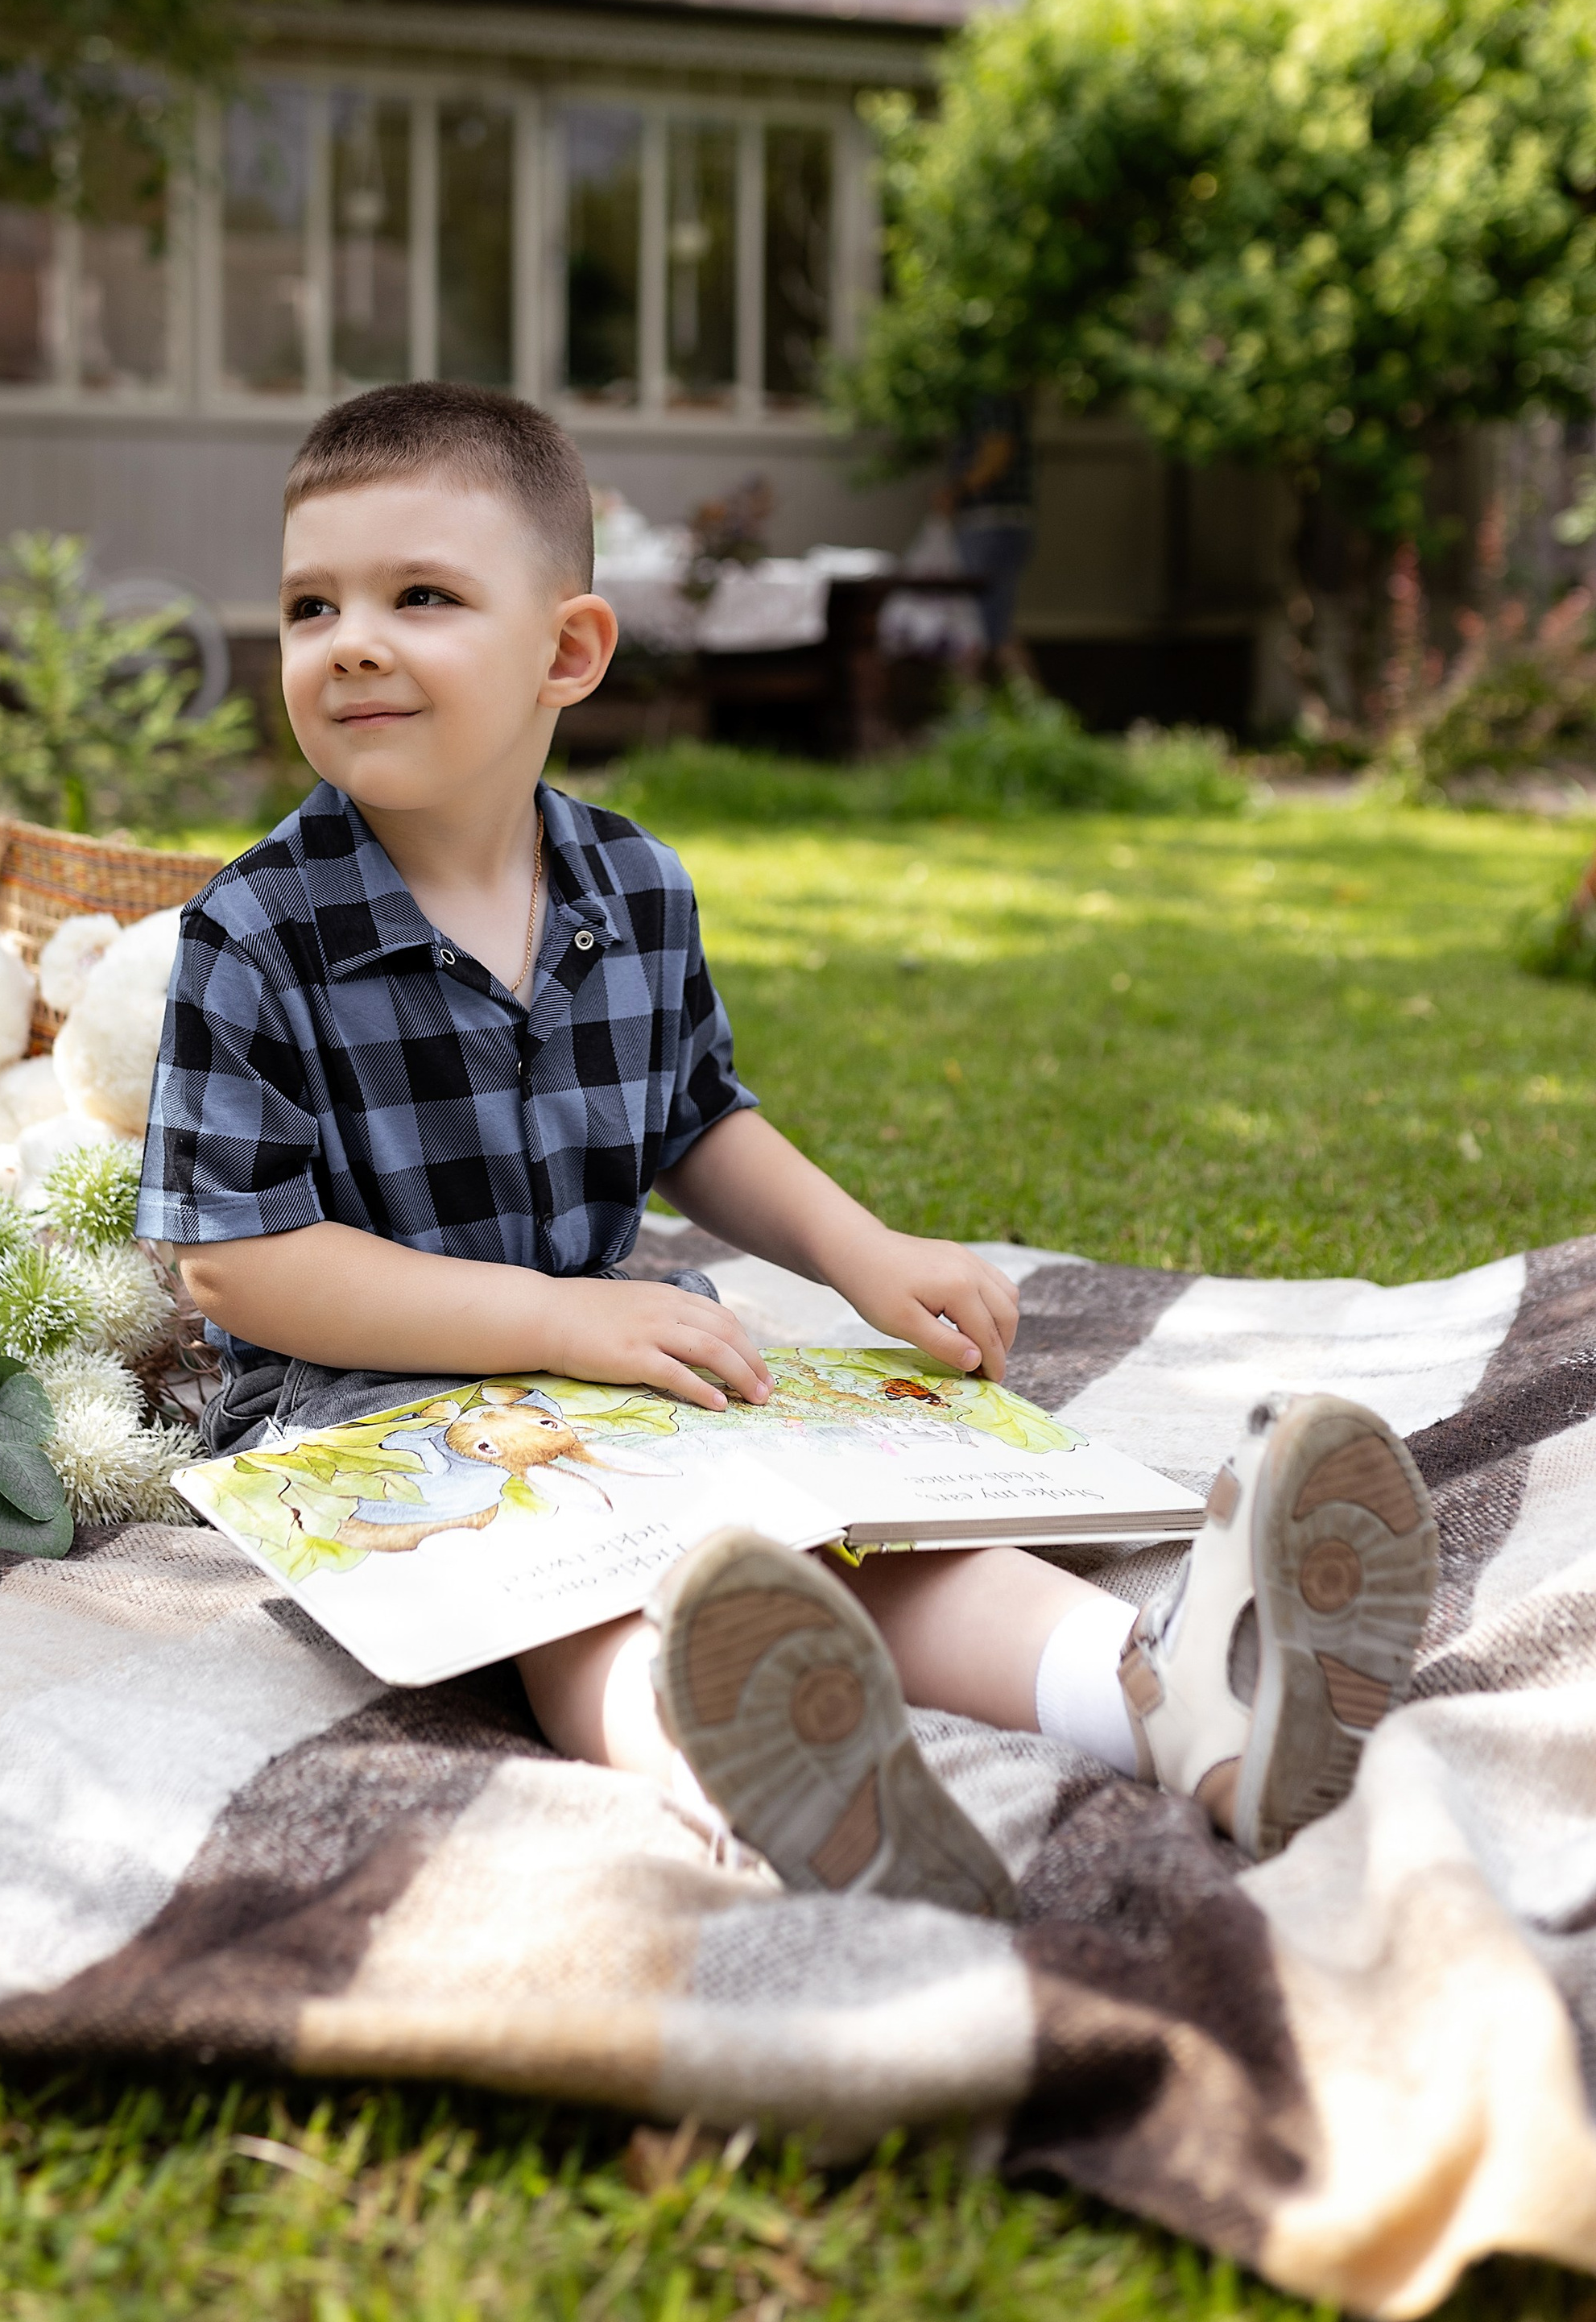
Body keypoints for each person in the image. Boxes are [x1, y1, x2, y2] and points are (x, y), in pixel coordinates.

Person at [139, 386, 1438, 1907]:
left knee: (846, 1534)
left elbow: (699, 1117)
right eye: (312, 604)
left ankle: (1173, 1703)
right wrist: (562, 1320)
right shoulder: (256, 930)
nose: (351, 639)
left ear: (567, 650)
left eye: (420, 595)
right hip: (367, 1426)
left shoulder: (633, 885)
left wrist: (861, 1251)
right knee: (602, 1603)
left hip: (610, 1371)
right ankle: (760, 1783)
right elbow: (238, 1265)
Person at [935, 393, 1037, 686]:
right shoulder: (985, 398)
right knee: (988, 623)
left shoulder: (991, 397)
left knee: (987, 625)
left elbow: (997, 454)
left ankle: (1033, 714)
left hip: (993, 523)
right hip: (995, 524)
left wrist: (956, 490)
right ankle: (1026, 713)